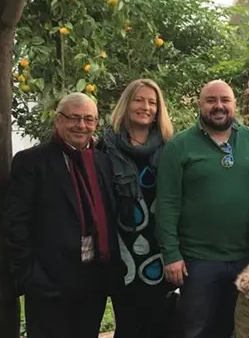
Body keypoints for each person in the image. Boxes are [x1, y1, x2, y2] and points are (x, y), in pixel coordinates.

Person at [155, 80, 249, 338]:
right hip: (198, 260)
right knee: (196, 329)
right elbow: (167, 203)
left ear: (234, 104)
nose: (219, 106)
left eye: (225, 100)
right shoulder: (179, 146)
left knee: (243, 328)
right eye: (211, 100)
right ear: (200, 105)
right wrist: (171, 253)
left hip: (246, 256)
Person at [4, 93, 121, 338]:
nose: (81, 125)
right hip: (49, 280)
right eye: (74, 118)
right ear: (58, 120)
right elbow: (16, 223)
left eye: (89, 119)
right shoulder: (31, 162)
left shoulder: (102, 161)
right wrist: (29, 276)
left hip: (94, 279)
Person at [98, 79, 176, 338]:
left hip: (161, 249)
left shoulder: (170, 148)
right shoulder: (104, 147)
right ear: (126, 103)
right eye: (139, 100)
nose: (146, 106)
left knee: (163, 323)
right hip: (121, 252)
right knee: (129, 325)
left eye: (152, 102)